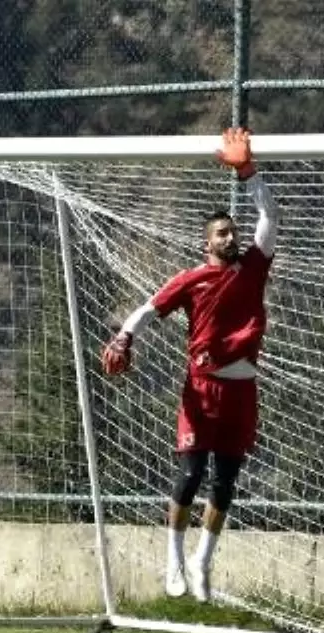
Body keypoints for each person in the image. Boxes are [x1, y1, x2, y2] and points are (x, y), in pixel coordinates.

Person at [100, 127, 278, 603]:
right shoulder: (192, 280)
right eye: (222, 233)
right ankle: (174, 558)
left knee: (225, 483)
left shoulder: (254, 267)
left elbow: (270, 217)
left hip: (242, 392)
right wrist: (124, 337)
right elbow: (146, 309)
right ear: (207, 243)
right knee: (190, 474)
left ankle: (203, 561)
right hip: (202, 391)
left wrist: (247, 171)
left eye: (233, 231)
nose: (232, 236)